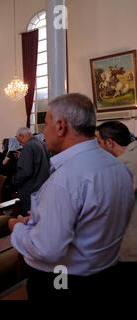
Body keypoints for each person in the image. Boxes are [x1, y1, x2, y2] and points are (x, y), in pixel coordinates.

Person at [9, 93, 135, 300]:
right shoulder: (117, 167)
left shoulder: (67, 178)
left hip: (65, 280)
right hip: (107, 274)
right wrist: (45, 217)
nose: (44, 131)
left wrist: (18, 228)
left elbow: (46, 250)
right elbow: (95, 217)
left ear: (60, 126)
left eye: (46, 124)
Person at [96, 121, 137, 290]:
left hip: (130, 247)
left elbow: (104, 205)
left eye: (98, 142)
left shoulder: (123, 165)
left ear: (110, 143)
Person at [13, 127, 50, 214]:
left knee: (29, 221)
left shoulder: (28, 146)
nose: (20, 144)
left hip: (30, 192)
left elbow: (25, 172)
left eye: (19, 141)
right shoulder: (42, 144)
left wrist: (14, 179)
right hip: (43, 190)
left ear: (22, 136)